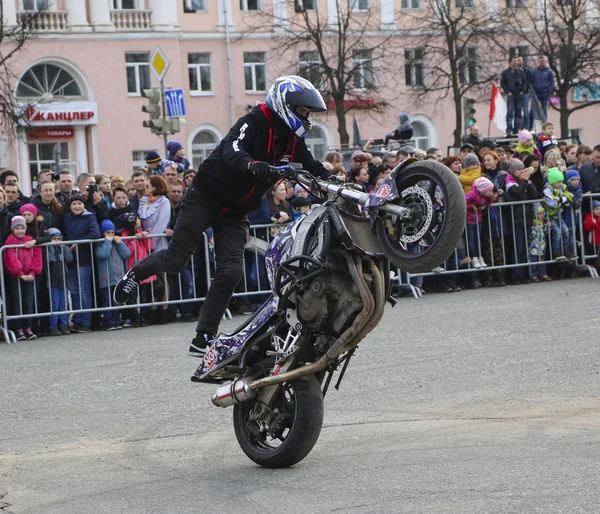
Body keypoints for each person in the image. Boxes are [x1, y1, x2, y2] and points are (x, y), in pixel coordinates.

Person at [114, 75, 332, 357]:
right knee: (176, 259)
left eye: (307, 113)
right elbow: (232, 148)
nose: (306, 117)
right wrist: (253, 165)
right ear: (285, 105)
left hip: (236, 211)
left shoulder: (292, 139)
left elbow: (312, 166)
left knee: (231, 271)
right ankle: (136, 273)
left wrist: (336, 182)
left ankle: (203, 335)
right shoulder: (254, 121)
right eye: (302, 111)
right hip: (205, 197)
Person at [63, 193, 101, 333]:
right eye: (74, 204)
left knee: (84, 290)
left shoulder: (90, 217)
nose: (77, 206)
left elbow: (95, 233)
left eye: (79, 203)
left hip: (84, 258)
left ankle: (86, 321)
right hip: (71, 259)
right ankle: (77, 319)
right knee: (74, 291)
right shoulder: (67, 218)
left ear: (83, 205)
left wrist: (79, 243)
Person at [3, 215, 42, 340]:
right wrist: (20, 273)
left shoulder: (30, 239)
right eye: (17, 228)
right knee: (17, 302)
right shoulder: (10, 241)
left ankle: (28, 327)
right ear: (13, 229)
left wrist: (32, 273)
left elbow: (37, 257)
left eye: (22, 228)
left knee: (29, 303)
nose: (20, 231)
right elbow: (11, 259)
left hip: (30, 276)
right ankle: (19, 328)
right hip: (17, 276)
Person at [95, 220, 130, 331]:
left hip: (118, 278)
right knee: (107, 300)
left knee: (116, 300)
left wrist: (120, 243)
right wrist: (107, 242)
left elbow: (127, 254)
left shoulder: (116, 243)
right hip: (106, 279)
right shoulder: (101, 244)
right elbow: (103, 254)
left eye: (112, 232)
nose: (110, 235)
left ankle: (116, 319)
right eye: (107, 233)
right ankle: (109, 321)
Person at [542, 168, 577, 260]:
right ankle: (556, 252)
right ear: (552, 182)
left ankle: (566, 250)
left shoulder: (562, 188)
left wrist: (559, 199)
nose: (561, 184)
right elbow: (552, 204)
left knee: (565, 231)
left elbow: (568, 199)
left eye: (561, 181)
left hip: (558, 215)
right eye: (558, 182)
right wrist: (561, 199)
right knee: (557, 232)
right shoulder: (547, 190)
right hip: (550, 217)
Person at [46, 227, 73, 336]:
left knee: (63, 304)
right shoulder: (48, 249)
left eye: (59, 239)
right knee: (54, 304)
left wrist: (65, 247)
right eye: (54, 239)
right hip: (52, 281)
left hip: (64, 281)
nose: (57, 241)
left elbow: (69, 259)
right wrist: (51, 247)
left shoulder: (63, 248)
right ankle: (53, 326)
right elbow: (51, 259)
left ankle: (64, 325)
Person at [465, 177, 495, 269]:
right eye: (488, 191)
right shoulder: (471, 194)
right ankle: (474, 257)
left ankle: (480, 257)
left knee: (478, 238)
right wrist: (471, 206)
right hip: (469, 219)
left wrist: (485, 205)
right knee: (471, 239)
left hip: (478, 218)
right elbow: (463, 202)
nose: (490, 193)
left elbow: (490, 200)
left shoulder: (486, 195)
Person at [501, 56, 528, 135]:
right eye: (514, 61)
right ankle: (509, 129)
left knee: (518, 113)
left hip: (519, 95)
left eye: (516, 61)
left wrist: (523, 91)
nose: (515, 63)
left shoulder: (521, 71)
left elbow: (525, 82)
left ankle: (516, 129)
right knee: (510, 113)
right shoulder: (505, 73)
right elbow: (503, 83)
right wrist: (507, 91)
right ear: (509, 62)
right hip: (511, 95)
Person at [528, 207, 552, 282]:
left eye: (542, 213)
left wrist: (549, 227)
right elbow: (530, 236)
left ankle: (543, 274)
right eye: (539, 214)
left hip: (542, 246)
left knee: (542, 261)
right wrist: (534, 230)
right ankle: (533, 275)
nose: (542, 215)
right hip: (534, 248)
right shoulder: (532, 224)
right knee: (533, 261)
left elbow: (546, 233)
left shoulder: (543, 224)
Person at [530, 55, 554, 121]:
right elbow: (531, 81)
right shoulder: (534, 71)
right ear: (538, 62)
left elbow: (552, 82)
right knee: (533, 109)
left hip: (544, 93)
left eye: (543, 61)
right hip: (536, 93)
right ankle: (530, 125)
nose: (542, 62)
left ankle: (545, 123)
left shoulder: (549, 72)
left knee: (544, 109)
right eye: (541, 61)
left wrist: (549, 91)